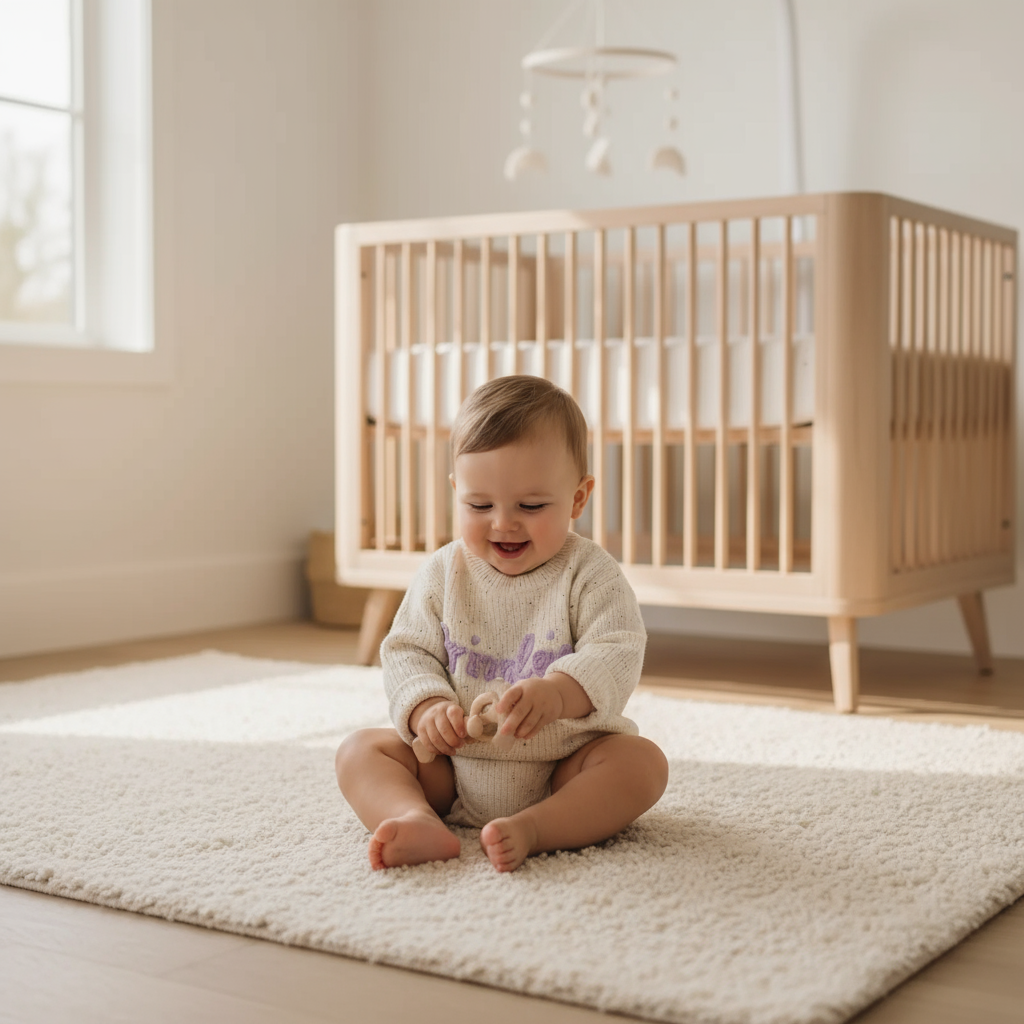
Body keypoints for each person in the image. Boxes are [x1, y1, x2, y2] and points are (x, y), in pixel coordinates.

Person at [335, 375, 669, 873]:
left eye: (531, 506)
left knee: (642, 764)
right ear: (456, 493)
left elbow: (617, 651)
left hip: (564, 767)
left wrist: (558, 692)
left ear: (578, 499)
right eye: (479, 505)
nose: (503, 523)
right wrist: (427, 707)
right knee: (359, 750)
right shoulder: (443, 573)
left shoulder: (590, 572)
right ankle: (415, 817)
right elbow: (407, 650)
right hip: (450, 769)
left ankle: (540, 826)